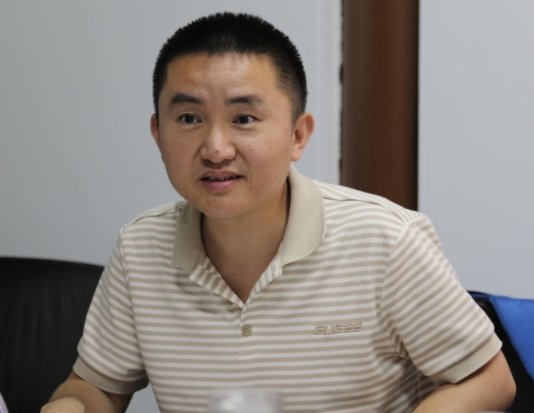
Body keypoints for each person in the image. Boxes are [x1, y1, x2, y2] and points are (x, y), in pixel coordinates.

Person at [41, 12, 516, 413]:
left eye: (244, 119)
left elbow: (490, 380)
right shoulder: (140, 248)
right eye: (188, 118)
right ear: (157, 134)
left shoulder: (386, 239)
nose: (216, 148)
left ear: (298, 135)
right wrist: (71, 405)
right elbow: (95, 387)